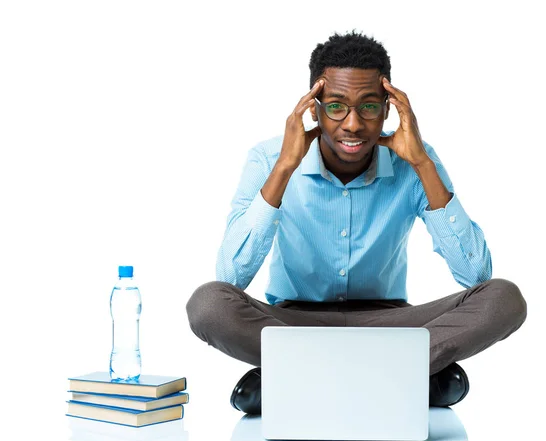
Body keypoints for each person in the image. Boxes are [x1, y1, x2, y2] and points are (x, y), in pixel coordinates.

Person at [186, 31, 527, 415]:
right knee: (208, 305)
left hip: (391, 324)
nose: (352, 124)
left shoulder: (415, 159)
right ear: (313, 109)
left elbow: (477, 275)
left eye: (368, 107)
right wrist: (284, 168)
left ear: (387, 109)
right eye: (336, 107)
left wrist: (422, 166)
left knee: (504, 299)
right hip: (292, 324)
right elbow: (229, 277)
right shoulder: (269, 159)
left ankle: (293, 377)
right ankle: (405, 377)